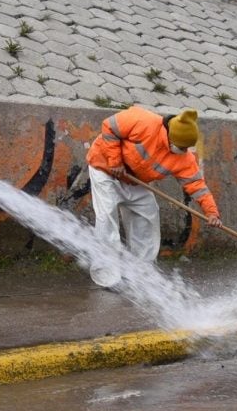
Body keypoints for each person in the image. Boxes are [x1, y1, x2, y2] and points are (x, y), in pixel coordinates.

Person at [85, 106, 223, 286]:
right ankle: (106, 274)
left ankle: (141, 272)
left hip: (134, 180)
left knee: (148, 214)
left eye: (186, 148)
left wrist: (212, 213)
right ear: (171, 136)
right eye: (181, 146)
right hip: (105, 168)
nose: (183, 150)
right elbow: (109, 127)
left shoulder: (184, 158)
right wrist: (115, 161)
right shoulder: (143, 120)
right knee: (107, 218)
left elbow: (197, 186)